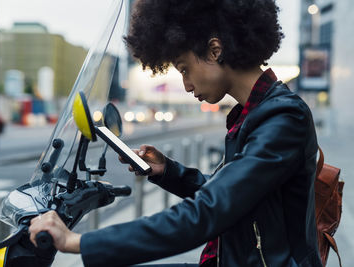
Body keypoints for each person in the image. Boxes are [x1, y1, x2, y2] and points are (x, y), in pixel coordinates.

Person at [29, 0, 322, 266]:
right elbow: (232, 193)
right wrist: (167, 171)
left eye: (184, 69)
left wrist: (77, 242)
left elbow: (210, 210)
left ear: (215, 50)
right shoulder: (253, 114)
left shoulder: (283, 117)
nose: (186, 85)